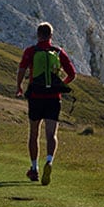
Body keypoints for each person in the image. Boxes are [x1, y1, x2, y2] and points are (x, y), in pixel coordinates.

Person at [14, 21, 76, 186]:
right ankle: (49, 161)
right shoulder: (58, 52)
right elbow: (72, 73)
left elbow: (21, 69)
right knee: (51, 134)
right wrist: (60, 84)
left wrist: (19, 86)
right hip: (53, 98)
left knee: (34, 133)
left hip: (36, 96)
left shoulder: (31, 51)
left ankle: (34, 168)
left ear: (38, 35)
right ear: (51, 36)